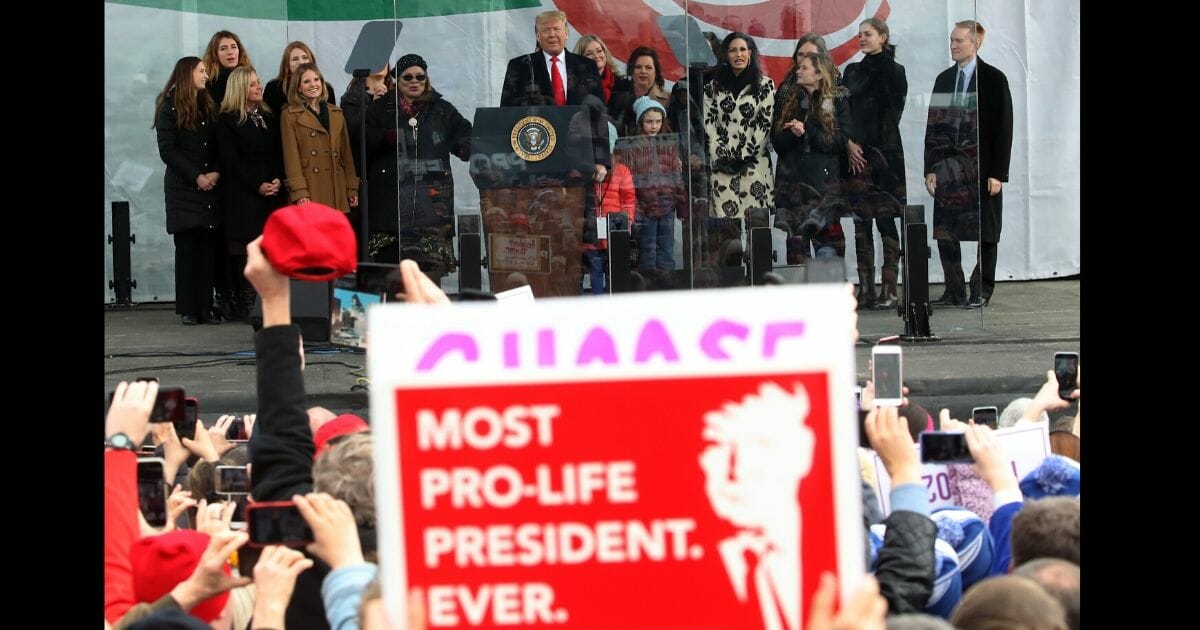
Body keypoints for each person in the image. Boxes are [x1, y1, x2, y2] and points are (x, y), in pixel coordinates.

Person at [924, 20, 1013, 308]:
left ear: (976, 43)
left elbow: (1004, 128)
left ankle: (981, 289)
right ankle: (954, 290)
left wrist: (998, 173)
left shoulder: (994, 79)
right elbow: (933, 127)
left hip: (982, 168)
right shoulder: (943, 80)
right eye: (951, 40)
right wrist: (931, 168)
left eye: (958, 41)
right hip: (949, 168)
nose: (952, 45)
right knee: (946, 231)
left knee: (986, 232)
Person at [362, 53, 471, 282]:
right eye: (407, 77)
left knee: (429, 278)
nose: (414, 82)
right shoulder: (380, 109)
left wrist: (466, 146)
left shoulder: (442, 109)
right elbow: (362, 144)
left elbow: (464, 135)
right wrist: (385, 137)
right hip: (391, 210)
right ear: (397, 80)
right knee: (392, 279)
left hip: (432, 209)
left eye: (420, 77)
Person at [843, 18, 907, 309]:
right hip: (855, 155)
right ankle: (866, 288)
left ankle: (890, 288)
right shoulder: (852, 71)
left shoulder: (895, 71)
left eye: (867, 34)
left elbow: (892, 115)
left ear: (883, 37)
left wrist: (868, 147)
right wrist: (849, 143)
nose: (862, 39)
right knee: (860, 221)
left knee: (885, 219)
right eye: (860, 35)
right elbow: (843, 110)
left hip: (885, 156)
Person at [154, 56, 223, 326]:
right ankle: (188, 309)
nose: (206, 75)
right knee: (186, 249)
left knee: (207, 249)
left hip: (208, 186)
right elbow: (168, 150)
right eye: (202, 71)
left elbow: (220, 144)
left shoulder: (208, 105)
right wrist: (196, 176)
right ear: (187, 75)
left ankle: (206, 306)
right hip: (183, 188)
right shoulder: (169, 108)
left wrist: (215, 172)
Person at [216, 66, 284, 320]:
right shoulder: (227, 121)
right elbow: (230, 161)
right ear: (239, 89)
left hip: (271, 194)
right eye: (253, 84)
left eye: (259, 81)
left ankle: (267, 300)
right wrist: (257, 184)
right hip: (244, 196)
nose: (259, 87)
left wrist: (277, 179)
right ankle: (247, 303)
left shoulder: (267, 116)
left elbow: (278, 150)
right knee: (246, 250)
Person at [771, 52, 852, 262]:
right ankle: (800, 294)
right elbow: (778, 142)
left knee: (828, 255)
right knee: (798, 257)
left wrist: (807, 130)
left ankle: (828, 294)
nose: (798, 71)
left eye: (804, 67)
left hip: (823, 190)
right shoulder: (791, 99)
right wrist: (794, 131)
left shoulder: (837, 101)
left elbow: (838, 141)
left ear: (818, 74)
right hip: (794, 189)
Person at [703, 32, 775, 220]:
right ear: (726, 55)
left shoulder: (765, 86)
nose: (738, 55)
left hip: (754, 165)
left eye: (743, 49)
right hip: (723, 168)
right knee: (728, 234)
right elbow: (710, 124)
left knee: (758, 233)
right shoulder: (712, 88)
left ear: (750, 53)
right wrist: (724, 157)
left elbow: (765, 125)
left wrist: (744, 157)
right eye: (733, 50)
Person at [279, 62, 360, 214]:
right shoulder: (289, 115)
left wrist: (351, 188)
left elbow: (346, 154)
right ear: (298, 87)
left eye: (316, 80)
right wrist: (300, 192)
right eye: (306, 81)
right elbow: (291, 157)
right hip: (311, 187)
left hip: (337, 186)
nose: (313, 84)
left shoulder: (336, 113)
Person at [499, 10, 605, 112]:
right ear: (537, 36)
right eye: (546, 30)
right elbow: (506, 110)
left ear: (566, 33)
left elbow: (600, 110)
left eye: (557, 29)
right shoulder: (520, 66)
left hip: (579, 128)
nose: (552, 35)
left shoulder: (587, 66)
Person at [582, 121, 635, 294]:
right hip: (591, 231)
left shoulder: (621, 171)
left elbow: (628, 198)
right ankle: (598, 302)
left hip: (614, 231)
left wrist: (627, 221)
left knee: (613, 270)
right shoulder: (583, 170)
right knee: (595, 269)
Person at [264, 41, 336, 119]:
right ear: (287, 65)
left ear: (312, 61)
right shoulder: (274, 88)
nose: (301, 62)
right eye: (295, 59)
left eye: (305, 57)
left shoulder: (326, 88)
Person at [609, 46, 671, 135]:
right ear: (631, 71)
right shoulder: (620, 97)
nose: (643, 71)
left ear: (656, 72)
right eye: (638, 67)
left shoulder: (668, 99)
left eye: (648, 67)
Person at [202, 30, 252, 107]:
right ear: (214, 54)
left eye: (233, 47)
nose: (230, 52)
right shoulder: (210, 84)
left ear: (240, 51)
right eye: (223, 48)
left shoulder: (250, 76)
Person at [573, 35, 622, 106]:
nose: (596, 56)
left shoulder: (622, 85)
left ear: (605, 53)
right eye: (589, 53)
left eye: (599, 51)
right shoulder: (573, 87)